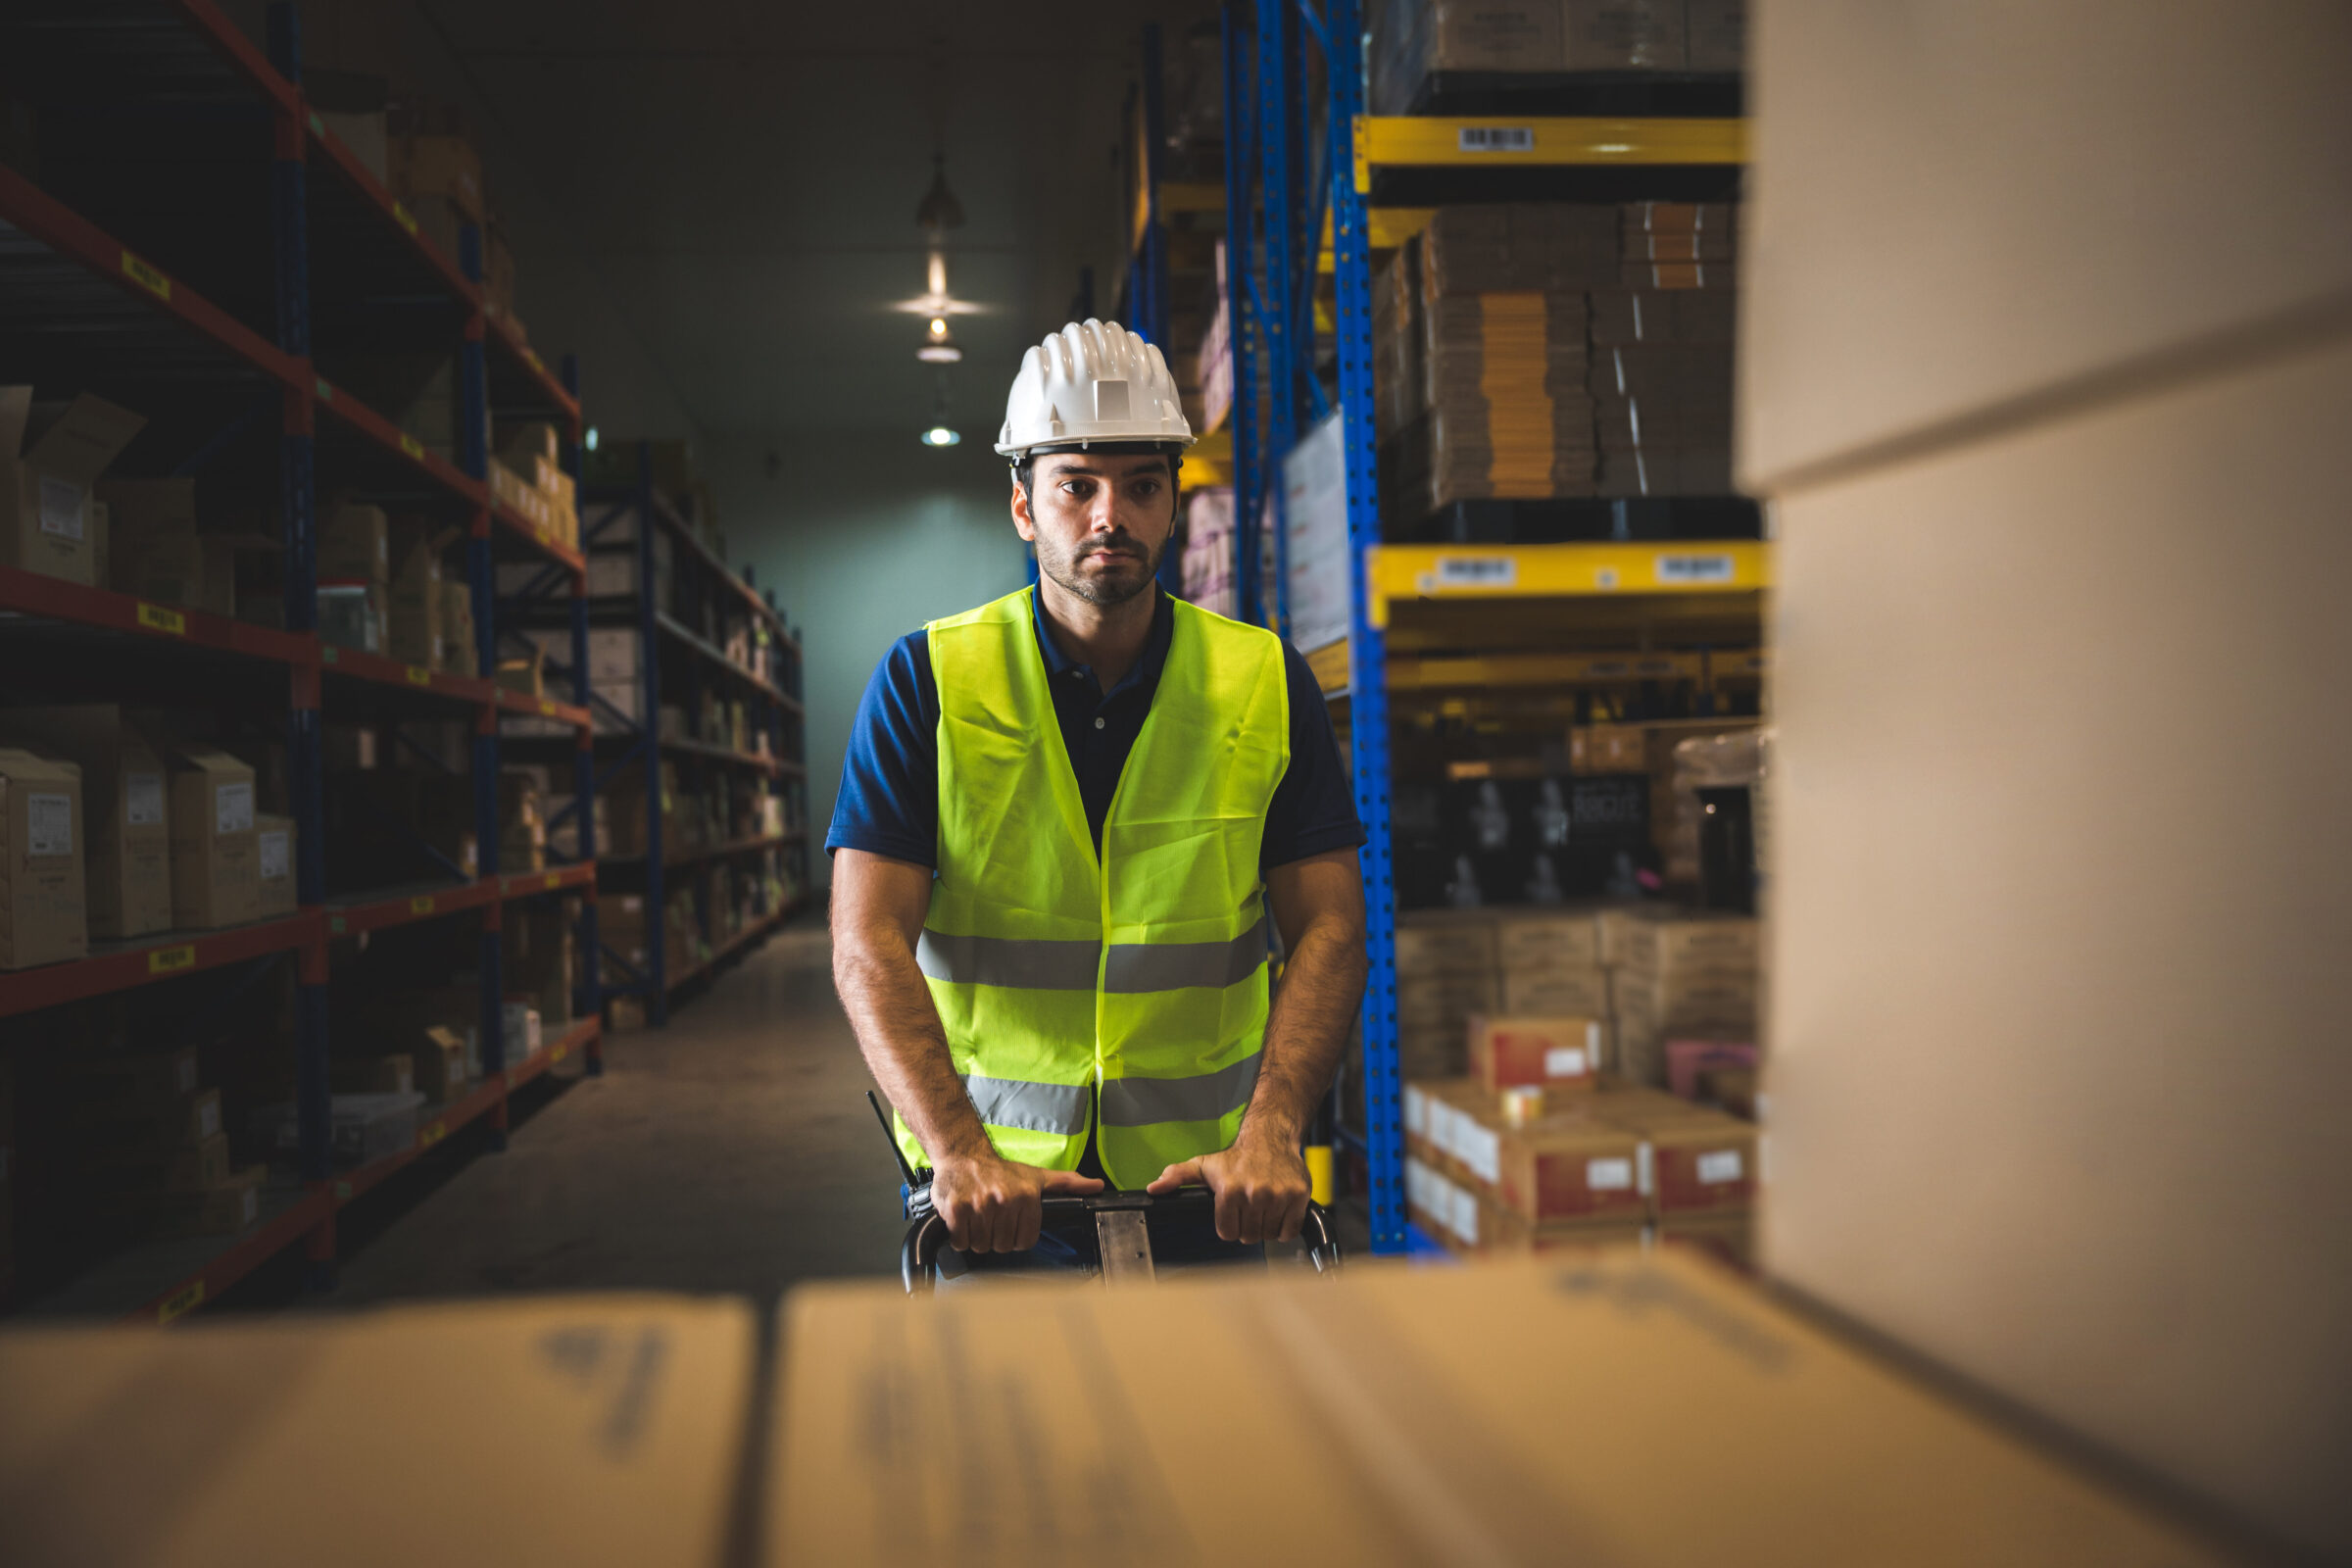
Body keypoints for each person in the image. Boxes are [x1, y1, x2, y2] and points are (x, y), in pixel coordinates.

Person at [828, 318, 1368, 1278]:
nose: (1109, 513)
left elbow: (1328, 926)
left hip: (1210, 1188)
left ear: (1171, 504)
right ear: (1025, 506)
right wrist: (958, 1150)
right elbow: (866, 941)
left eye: (1142, 485)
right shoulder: (927, 681)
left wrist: (1274, 1132)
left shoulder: (1263, 680)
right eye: (1077, 483)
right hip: (997, 1200)